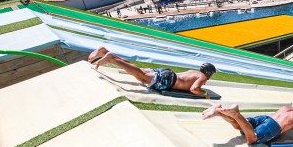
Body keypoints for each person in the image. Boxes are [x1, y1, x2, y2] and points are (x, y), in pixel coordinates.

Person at [88, 47, 216, 99]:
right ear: (208, 72)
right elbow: (194, 89)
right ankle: (111, 58)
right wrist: (205, 94)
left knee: (135, 69)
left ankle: (105, 52)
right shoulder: (202, 76)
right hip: (168, 80)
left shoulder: (194, 72)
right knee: (140, 76)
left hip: (167, 74)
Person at [202, 98, 293, 145]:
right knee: (252, 138)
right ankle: (236, 113)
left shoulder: (286, 107)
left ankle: (218, 112)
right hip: (273, 126)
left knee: (239, 127)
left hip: (266, 119)